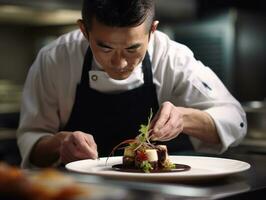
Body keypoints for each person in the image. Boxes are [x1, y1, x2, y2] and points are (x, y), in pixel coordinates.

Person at [17, 0, 247, 168]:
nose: (119, 62)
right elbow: (32, 140)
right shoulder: (55, 59)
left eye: (132, 48)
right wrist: (60, 143)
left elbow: (235, 120)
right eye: (105, 48)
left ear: (152, 31)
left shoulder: (172, 58)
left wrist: (184, 118)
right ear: (84, 31)